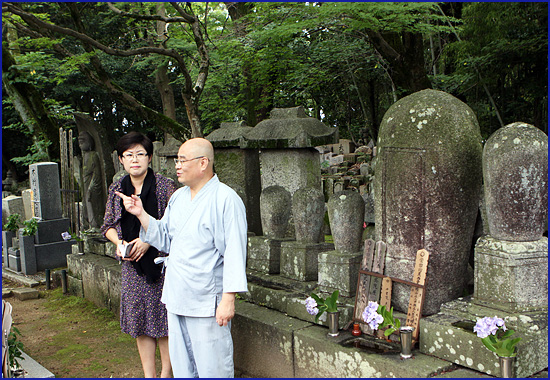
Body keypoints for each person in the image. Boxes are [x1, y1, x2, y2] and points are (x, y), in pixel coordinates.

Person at [116, 137, 248, 378]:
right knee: (183, 364)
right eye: (177, 160)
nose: (177, 165)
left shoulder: (226, 199)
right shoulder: (178, 197)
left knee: (212, 364)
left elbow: (235, 252)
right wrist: (141, 213)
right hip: (177, 294)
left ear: (203, 163)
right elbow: (165, 238)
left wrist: (228, 298)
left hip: (206, 298)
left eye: (183, 160)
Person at [101, 132, 176, 378]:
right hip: (132, 267)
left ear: (149, 158)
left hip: (161, 264)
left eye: (140, 154)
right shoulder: (116, 188)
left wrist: (147, 241)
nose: (135, 160)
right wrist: (120, 242)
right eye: (129, 155)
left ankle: (167, 373)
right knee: (141, 323)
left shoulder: (165, 187)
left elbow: (173, 224)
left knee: (164, 322)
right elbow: (108, 225)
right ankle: (149, 375)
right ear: (121, 160)